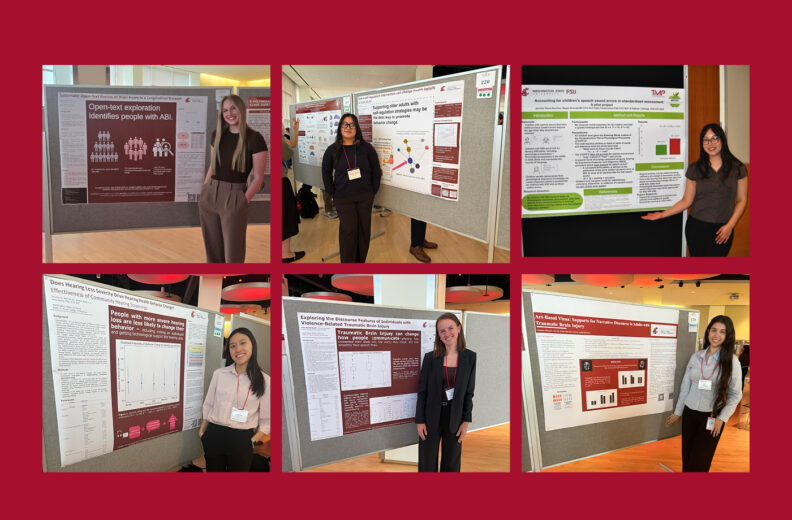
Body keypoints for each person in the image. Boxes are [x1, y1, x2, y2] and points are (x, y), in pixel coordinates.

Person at [642, 123, 748, 256]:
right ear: (702, 144)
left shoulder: (738, 168)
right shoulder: (695, 169)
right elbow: (686, 201)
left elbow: (741, 200)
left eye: (715, 138)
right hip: (697, 228)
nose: (710, 143)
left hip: (724, 229)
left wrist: (730, 226)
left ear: (722, 140)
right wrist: (662, 214)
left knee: (716, 271)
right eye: (706, 139)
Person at [665, 316, 742, 472]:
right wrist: (678, 412)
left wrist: (722, 418)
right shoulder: (696, 357)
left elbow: (735, 395)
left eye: (722, 332)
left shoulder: (732, 362)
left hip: (712, 416)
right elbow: (685, 387)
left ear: (728, 336)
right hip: (690, 413)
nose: (716, 335)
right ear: (708, 331)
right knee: (687, 455)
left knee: (701, 459)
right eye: (713, 330)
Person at [199, 95, 267, 263]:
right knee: (212, 251)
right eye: (225, 110)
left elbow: (258, 177)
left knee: (233, 253)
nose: (229, 113)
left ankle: (231, 283)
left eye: (233, 108)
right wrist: (205, 189)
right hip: (210, 194)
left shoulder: (255, 138)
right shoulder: (217, 135)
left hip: (234, 196)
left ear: (241, 109)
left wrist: (243, 201)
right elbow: (212, 166)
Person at [200, 327, 270, 472]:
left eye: (242, 343)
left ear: (252, 345)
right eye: (233, 346)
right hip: (214, 434)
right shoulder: (219, 374)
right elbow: (208, 404)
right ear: (229, 350)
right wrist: (202, 433)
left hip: (242, 439)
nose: (238, 349)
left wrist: (251, 441)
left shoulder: (265, 380)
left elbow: (267, 420)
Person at [416, 313, 476, 472]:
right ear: (438, 335)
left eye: (450, 328)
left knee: (451, 464)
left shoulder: (470, 357)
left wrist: (466, 421)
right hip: (430, 418)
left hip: (455, 418)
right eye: (442, 331)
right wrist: (420, 420)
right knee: (427, 463)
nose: (447, 333)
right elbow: (422, 392)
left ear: (459, 328)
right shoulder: (430, 358)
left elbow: (469, 393)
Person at [321, 113, 381, 263]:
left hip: (365, 197)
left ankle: (360, 263)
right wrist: (332, 192)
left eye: (352, 124)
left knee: (363, 230)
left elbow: (376, 169)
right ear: (340, 127)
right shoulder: (332, 150)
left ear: (357, 128)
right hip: (343, 198)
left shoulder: (366, 148)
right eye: (345, 124)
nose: (348, 127)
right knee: (349, 230)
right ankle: (348, 264)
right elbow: (325, 172)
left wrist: (373, 190)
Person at [282, 119, 305, 263]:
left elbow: (292, 145)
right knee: (285, 218)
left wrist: (295, 130)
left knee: (284, 217)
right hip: (280, 182)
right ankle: (285, 254)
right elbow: (286, 154)